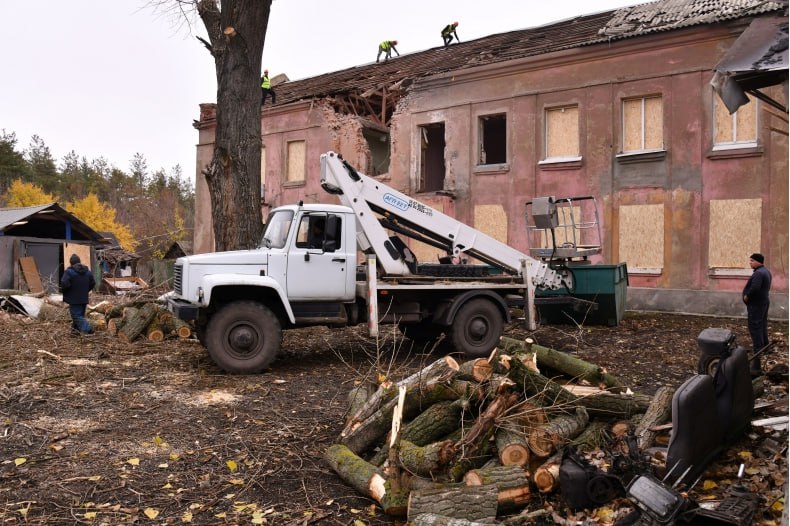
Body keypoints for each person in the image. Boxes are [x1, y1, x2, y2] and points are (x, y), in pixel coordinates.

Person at [742, 252, 771, 376]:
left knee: (755, 326)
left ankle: (758, 350)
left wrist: (747, 296)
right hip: (763, 302)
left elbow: (755, 288)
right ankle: (765, 346)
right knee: (762, 325)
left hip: (757, 304)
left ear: (759, 262)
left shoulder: (759, 273)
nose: (750, 263)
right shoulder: (766, 271)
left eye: (752, 261)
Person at [61, 254, 96, 335]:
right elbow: (93, 283)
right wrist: (86, 290)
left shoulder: (69, 272)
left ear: (71, 263)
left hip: (74, 299)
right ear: (79, 262)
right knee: (79, 315)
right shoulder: (87, 272)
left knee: (76, 316)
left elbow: (64, 283)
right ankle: (75, 332)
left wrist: (67, 291)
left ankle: (88, 329)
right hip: (84, 298)